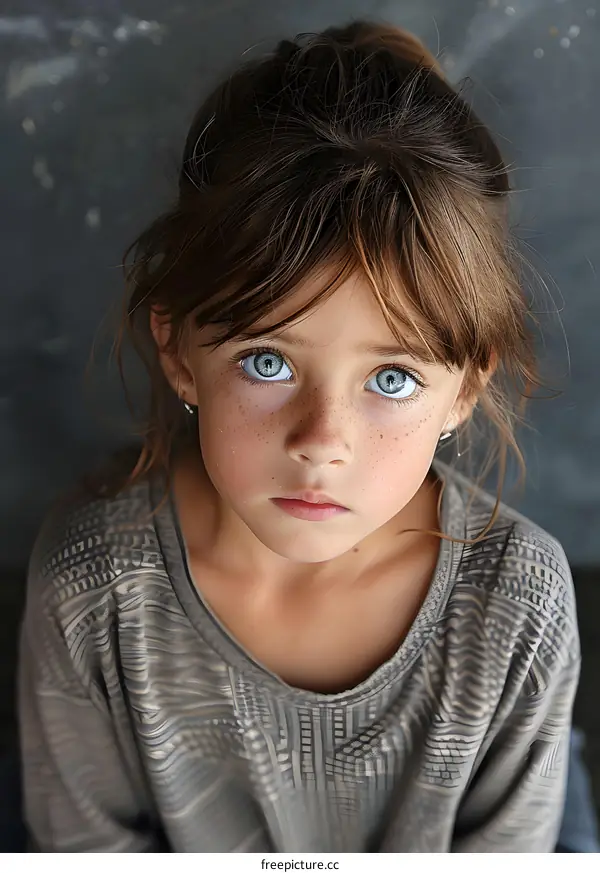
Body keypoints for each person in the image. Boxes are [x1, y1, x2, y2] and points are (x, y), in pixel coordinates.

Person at [18, 20, 584, 852]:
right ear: (177, 350)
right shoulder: (92, 590)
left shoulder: (517, 606)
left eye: (391, 378)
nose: (323, 441)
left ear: (464, 388)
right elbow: (86, 847)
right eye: (267, 362)